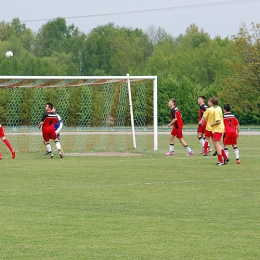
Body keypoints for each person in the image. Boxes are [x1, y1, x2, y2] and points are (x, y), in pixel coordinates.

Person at [201, 97, 228, 166]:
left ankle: (220, 161)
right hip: (218, 129)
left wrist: (212, 124)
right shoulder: (219, 108)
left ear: (212, 103)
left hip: (217, 129)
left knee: (217, 145)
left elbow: (218, 121)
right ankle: (225, 157)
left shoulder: (216, 110)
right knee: (217, 144)